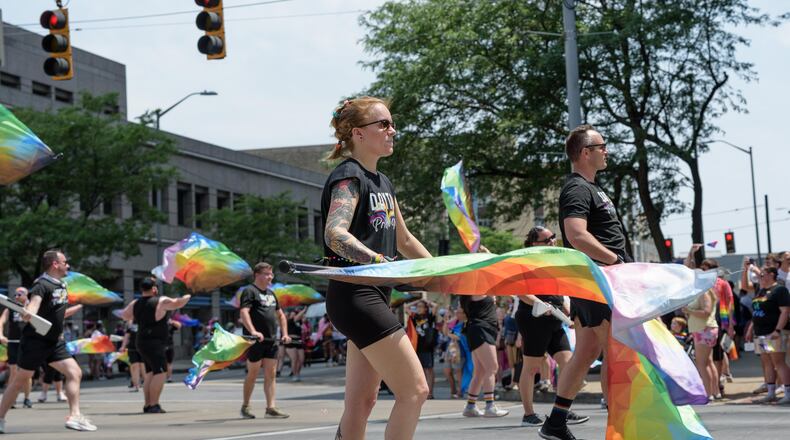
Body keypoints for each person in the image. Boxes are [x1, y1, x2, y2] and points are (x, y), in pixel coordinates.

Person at [322, 97, 432, 440]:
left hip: (374, 297)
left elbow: (406, 240)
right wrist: (378, 261)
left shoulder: (383, 182)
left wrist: (442, 271)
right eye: (383, 124)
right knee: (415, 390)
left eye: (391, 123)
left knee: (362, 402)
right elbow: (334, 233)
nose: (392, 130)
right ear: (358, 133)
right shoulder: (349, 177)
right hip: (356, 298)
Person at [541, 125, 632, 440]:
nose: (606, 150)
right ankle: (620, 429)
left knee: (587, 350)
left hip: (596, 279)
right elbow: (576, 234)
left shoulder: (593, 187)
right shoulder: (577, 188)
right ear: (585, 152)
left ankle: (555, 422)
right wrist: (614, 260)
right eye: (601, 145)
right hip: (598, 280)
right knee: (616, 351)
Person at [0, 250, 94, 433]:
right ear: (55, 264)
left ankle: (75, 416)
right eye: (65, 262)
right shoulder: (41, 285)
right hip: (35, 341)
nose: (68, 265)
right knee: (20, 380)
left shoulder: (62, 285)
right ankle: (0, 417)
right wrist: (29, 313)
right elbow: (34, 305)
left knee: (75, 373)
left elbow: (56, 313)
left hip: (54, 341)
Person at [518, 226, 589, 427]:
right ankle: (528, 414)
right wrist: (539, 304)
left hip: (555, 317)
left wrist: (569, 312)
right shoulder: (526, 263)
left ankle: (562, 410)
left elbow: (560, 292)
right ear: (534, 243)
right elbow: (521, 292)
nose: (553, 241)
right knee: (531, 368)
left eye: (553, 237)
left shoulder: (555, 261)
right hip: (533, 318)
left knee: (568, 363)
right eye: (547, 239)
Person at [120, 276, 190, 413]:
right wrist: (189, 293)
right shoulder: (161, 301)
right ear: (154, 289)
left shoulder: (135, 303)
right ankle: (154, 404)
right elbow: (178, 303)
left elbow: (124, 315)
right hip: (154, 343)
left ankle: (147, 405)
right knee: (160, 373)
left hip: (141, 341)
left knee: (150, 373)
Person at [238, 262, 291, 419]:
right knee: (253, 373)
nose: (270, 277)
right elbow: (244, 312)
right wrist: (253, 331)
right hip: (255, 340)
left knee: (271, 373)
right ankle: (246, 406)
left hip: (271, 340)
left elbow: (281, 315)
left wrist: (285, 334)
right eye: (267, 274)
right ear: (257, 275)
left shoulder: (271, 293)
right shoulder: (249, 291)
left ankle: (271, 407)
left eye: (271, 274)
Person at [743, 263, 790, 404]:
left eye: (762, 274)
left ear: (771, 275)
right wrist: (751, 329)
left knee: (778, 362)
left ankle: (788, 393)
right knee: (767, 362)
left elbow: (785, 312)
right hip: (760, 333)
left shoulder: (779, 290)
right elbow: (745, 287)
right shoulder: (760, 290)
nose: (759, 277)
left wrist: (777, 330)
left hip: (772, 333)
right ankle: (771, 392)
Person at [458, 292, 509, 418]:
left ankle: (470, 407)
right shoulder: (475, 290)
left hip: (480, 330)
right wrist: (490, 296)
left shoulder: (474, 292)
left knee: (480, 371)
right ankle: (490, 407)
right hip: (481, 330)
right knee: (492, 368)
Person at [682, 285, 720, 400]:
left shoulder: (704, 292)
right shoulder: (703, 292)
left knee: (702, 364)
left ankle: (708, 393)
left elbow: (706, 312)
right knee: (708, 362)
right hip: (703, 329)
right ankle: (714, 391)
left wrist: (689, 310)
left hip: (703, 329)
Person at [0, 288, 33, 409]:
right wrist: (1, 335)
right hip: (13, 342)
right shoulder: (10, 308)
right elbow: (1, 321)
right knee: (13, 371)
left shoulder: (32, 307)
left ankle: (27, 398)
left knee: (26, 372)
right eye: (15, 294)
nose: (16, 296)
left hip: (27, 342)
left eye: (19, 294)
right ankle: (12, 399)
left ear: (26, 295)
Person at [411, 299, 438, 399]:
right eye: (417, 307)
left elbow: (435, 306)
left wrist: (426, 301)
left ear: (425, 308)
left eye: (421, 306)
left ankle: (430, 393)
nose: (418, 308)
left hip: (427, 347)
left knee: (429, 370)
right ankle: (423, 391)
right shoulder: (415, 317)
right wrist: (417, 301)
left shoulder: (429, 317)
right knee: (420, 370)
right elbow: (406, 308)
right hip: (417, 347)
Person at [118, 318, 143, 392]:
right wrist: (123, 346)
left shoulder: (145, 321)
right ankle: (136, 385)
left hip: (143, 347)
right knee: (134, 366)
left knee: (143, 367)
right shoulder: (131, 324)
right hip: (132, 348)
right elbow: (127, 336)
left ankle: (147, 383)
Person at [284, 307, 307, 382]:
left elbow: (303, 319)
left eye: (295, 313)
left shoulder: (299, 321)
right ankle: (294, 374)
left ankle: (297, 373)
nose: (294, 315)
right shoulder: (289, 321)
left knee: (301, 359)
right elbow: (297, 317)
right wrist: (303, 310)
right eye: (292, 314)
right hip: (291, 341)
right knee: (294, 359)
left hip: (298, 341)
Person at [165, 317, 182, 383]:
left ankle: (169, 377)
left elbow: (179, 325)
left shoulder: (170, 325)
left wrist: (172, 322)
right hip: (161, 346)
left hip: (169, 346)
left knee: (169, 363)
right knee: (163, 363)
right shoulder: (158, 325)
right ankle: (163, 377)